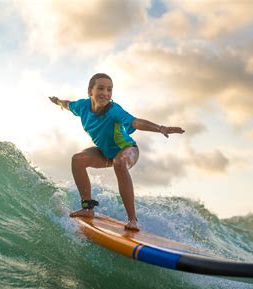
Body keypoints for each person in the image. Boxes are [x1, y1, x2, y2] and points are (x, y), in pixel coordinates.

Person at [49, 73, 184, 231]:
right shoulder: (82, 106)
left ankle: (132, 219)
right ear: (89, 91)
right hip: (106, 153)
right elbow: (68, 104)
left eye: (109, 90)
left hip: (128, 150)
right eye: (101, 88)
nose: (105, 93)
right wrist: (57, 101)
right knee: (77, 160)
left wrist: (160, 128)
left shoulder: (114, 110)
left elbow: (135, 122)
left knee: (119, 162)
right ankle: (87, 208)